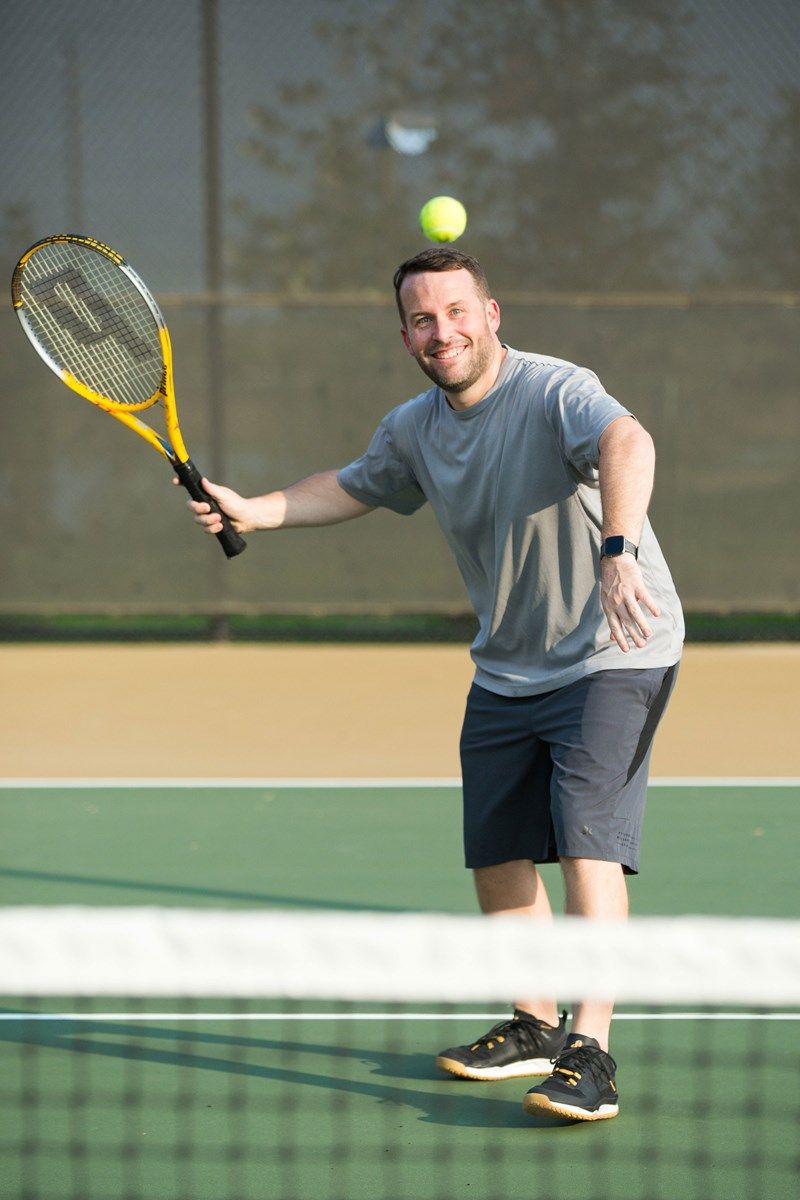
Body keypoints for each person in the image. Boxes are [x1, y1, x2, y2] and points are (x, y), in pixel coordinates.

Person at [185, 248, 683, 1122]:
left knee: (585, 841)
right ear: (406, 335)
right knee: (494, 850)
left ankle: (591, 1051)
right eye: (422, 319)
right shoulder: (416, 426)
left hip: (615, 646)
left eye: (456, 312)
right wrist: (254, 508)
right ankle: (532, 1020)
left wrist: (618, 548)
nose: (440, 331)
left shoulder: (554, 388)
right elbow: (350, 485)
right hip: (508, 662)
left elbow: (627, 440)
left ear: (492, 315)